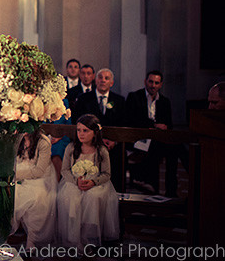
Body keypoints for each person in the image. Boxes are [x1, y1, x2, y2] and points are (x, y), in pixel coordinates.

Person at [57, 114, 119, 249]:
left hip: (96, 183)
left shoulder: (101, 150)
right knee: (70, 196)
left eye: (85, 130)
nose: (81, 134)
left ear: (95, 132)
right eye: (78, 130)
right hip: (74, 182)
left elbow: (107, 174)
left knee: (92, 197)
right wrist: (75, 181)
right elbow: (65, 170)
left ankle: (89, 237)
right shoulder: (72, 148)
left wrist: (93, 182)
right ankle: (74, 238)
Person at [125, 71, 177, 196]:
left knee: (175, 149)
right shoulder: (134, 97)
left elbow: (169, 124)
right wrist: (152, 125)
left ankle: (171, 191)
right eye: (151, 81)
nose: (153, 85)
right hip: (138, 138)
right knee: (152, 148)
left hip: (158, 139)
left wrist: (163, 127)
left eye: (156, 83)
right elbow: (130, 119)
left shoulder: (165, 101)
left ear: (161, 84)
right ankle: (148, 185)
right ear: (145, 82)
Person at [12, 130, 57, 248]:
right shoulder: (17, 138)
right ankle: (3, 235)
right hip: (19, 172)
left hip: (40, 177)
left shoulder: (43, 142)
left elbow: (39, 171)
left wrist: (16, 175)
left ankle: (32, 239)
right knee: (11, 192)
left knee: (37, 196)